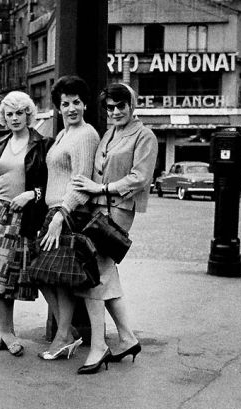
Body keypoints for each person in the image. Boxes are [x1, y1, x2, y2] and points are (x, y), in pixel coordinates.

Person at [72, 82, 158, 374]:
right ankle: (127, 338)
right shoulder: (108, 133)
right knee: (105, 275)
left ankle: (98, 346)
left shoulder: (145, 136)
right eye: (110, 107)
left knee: (94, 275)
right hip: (97, 209)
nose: (116, 111)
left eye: (121, 106)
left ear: (132, 106)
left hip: (119, 210)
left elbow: (140, 177)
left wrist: (102, 188)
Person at [0, 91, 50, 357]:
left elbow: (49, 182)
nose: (14, 118)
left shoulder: (41, 144)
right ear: (4, 117)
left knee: (5, 275)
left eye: (19, 113)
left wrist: (32, 194)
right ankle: (6, 332)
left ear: (29, 114)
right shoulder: (0, 143)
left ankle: (6, 333)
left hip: (20, 217)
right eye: (9, 114)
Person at [38, 75, 100, 361]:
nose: (71, 108)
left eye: (76, 102)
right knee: (43, 275)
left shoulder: (86, 134)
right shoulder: (64, 134)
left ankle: (64, 335)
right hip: (54, 211)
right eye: (65, 103)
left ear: (85, 104)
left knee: (58, 277)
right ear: (58, 107)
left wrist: (62, 213)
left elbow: (81, 180)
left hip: (68, 212)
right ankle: (69, 332)